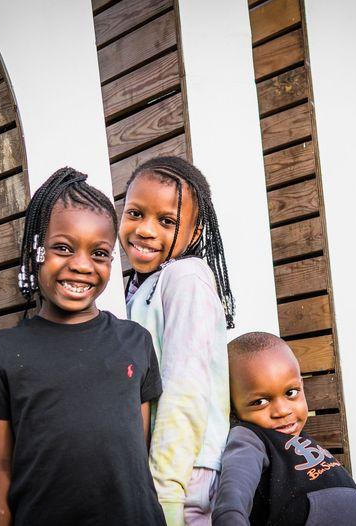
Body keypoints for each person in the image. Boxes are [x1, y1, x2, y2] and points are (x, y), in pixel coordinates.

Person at [0, 168, 165, 526]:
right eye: (63, 248)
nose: (81, 265)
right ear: (36, 250)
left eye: (99, 253)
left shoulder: (136, 342)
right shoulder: (2, 352)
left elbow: (138, 454)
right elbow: (0, 469)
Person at [119, 156, 235, 525]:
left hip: (185, 476)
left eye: (167, 221)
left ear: (195, 233)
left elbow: (185, 387)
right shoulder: (142, 287)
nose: (145, 230)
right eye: (135, 213)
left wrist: (166, 492)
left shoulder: (186, 278)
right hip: (160, 472)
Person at [212, 332, 356, 526]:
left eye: (291, 392)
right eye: (260, 402)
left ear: (302, 385)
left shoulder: (298, 439)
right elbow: (232, 500)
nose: (283, 410)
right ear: (232, 410)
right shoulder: (249, 438)